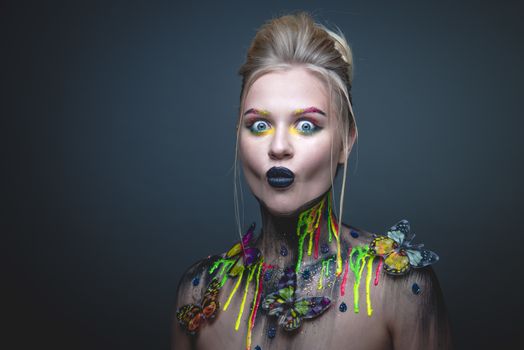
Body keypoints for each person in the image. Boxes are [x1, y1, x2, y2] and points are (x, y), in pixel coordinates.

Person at [172, 11, 452, 350]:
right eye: (259, 126)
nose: (278, 147)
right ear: (238, 137)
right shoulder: (201, 291)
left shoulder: (400, 288)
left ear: (346, 141)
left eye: (306, 125)